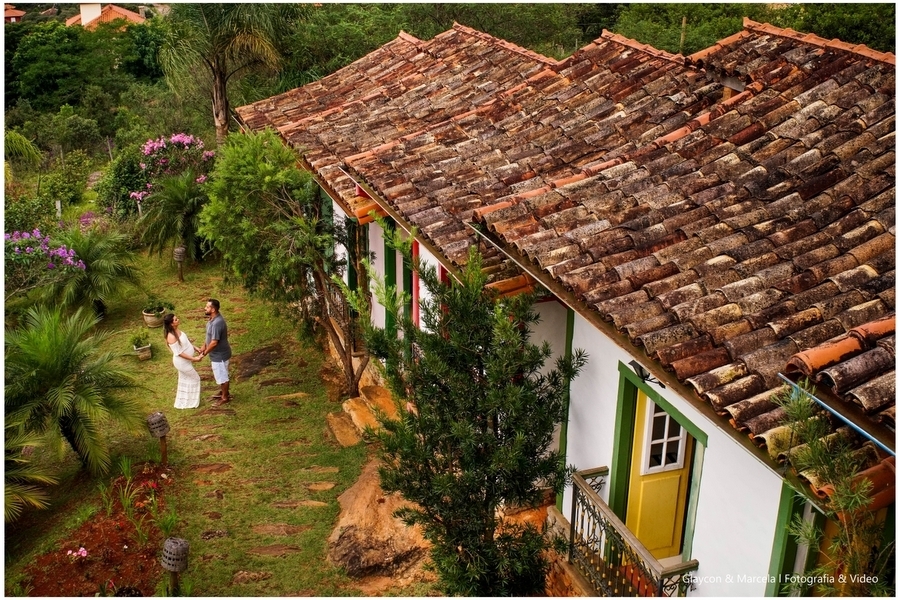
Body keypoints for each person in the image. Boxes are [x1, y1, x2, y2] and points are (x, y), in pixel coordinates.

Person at [163, 313, 202, 409]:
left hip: (186, 362)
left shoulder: (177, 330)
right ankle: (191, 402)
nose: (178, 320)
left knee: (185, 380)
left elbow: (186, 343)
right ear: (172, 324)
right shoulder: (171, 336)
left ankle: (185, 399)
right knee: (196, 379)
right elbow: (179, 353)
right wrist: (194, 359)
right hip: (182, 363)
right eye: (176, 320)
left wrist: (195, 348)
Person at [199, 298, 232, 405]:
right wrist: (204, 345)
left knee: (223, 377)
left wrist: (204, 353)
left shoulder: (217, 322)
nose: (205, 308)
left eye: (207, 307)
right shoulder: (211, 319)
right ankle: (224, 392)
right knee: (222, 375)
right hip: (217, 355)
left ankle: (224, 397)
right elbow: (209, 335)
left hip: (220, 355)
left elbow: (214, 342)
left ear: (213, 309)